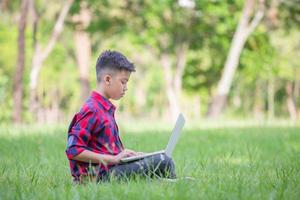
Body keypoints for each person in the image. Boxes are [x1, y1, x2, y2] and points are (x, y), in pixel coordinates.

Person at [65, 50, 176, 183]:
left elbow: (106, 149)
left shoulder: (104, 109)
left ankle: (166, 184)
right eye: (123, 82)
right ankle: (169, 184)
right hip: (99, 177)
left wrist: (131, 156)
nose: (126, 87)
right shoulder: (92, 109)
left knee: (162, 158)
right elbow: (73, 150)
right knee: (164, 161)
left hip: (111, 169)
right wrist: (114, 159)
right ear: (107, 79)